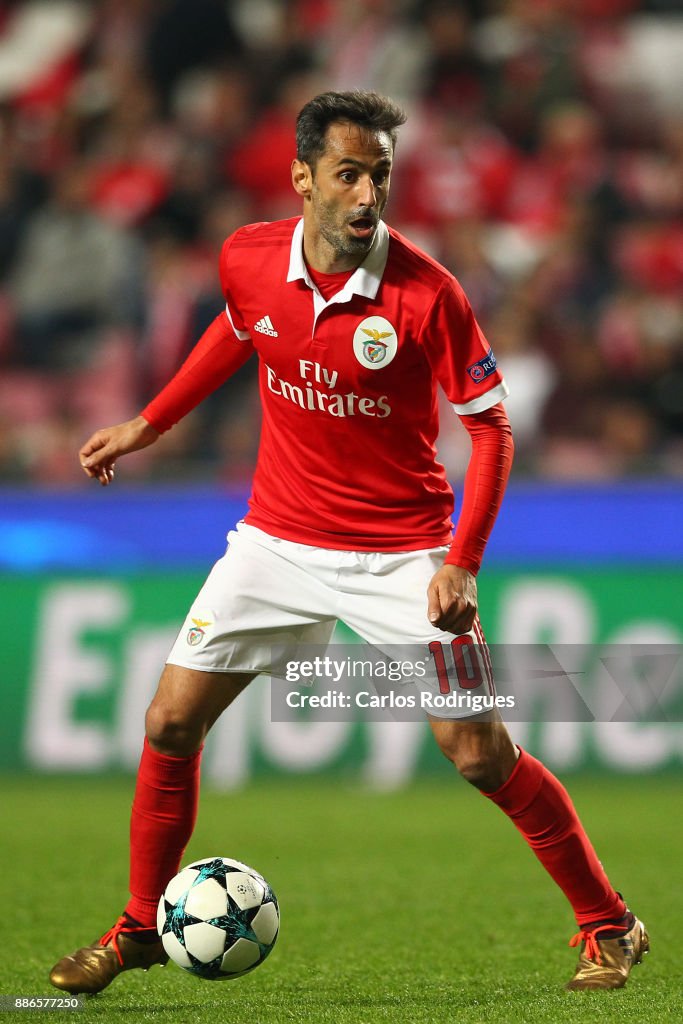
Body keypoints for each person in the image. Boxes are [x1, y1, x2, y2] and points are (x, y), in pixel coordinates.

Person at [49, 91, 647, 995]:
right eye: (348, 174)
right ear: (302, 179)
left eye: (380, 176)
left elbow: (489, 430)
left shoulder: (426, 294)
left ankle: (609, 925)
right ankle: (137, 929)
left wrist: (460, 562)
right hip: (274, 544)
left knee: (479, 754)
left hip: (402, 557)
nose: (368, 194)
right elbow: (239, 328)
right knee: (169, 722)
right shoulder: (247, 258)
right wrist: (148, 423)